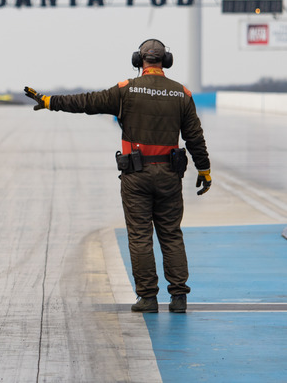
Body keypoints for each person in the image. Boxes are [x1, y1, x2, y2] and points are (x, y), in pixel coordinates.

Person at [24, 39, 211, 313]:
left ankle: (147, 298)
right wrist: (204, 169)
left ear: (139, 60)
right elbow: (195, 137)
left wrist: (50, 101)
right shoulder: (182, 94)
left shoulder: (125, 91)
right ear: (166, 61)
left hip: (136, 176)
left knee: (139, 236)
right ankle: (179, 297)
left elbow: (86, 102)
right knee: (171, 234)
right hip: (170, 176)